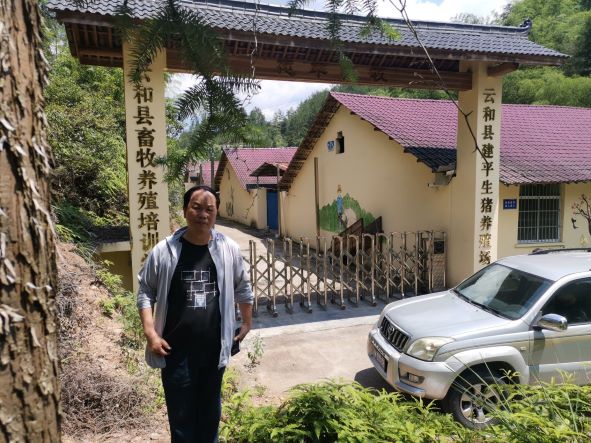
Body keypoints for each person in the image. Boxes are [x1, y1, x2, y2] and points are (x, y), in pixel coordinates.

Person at [137, 185, 253, 443]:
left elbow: (243, 287)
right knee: (181, 422)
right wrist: (150, 333)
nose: (203, 214)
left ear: (216, 213)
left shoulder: (228, 249)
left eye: (209, 209)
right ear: (185, 210)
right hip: (175, 351)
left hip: (214, 350)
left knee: (209, 418)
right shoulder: (165, 251)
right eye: (197, 207)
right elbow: (146, 290)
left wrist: (247, 321)